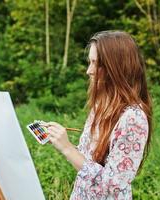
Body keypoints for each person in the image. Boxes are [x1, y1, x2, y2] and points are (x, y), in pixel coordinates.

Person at [46, 30, 152, 200]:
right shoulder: (101, 105)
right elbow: (86, 164)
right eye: (90, 62)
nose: (89, 70)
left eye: (96, 63)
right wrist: (61, 141)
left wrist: (67, 148)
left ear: (117, 66)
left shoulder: (133, 118)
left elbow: (114, 185)